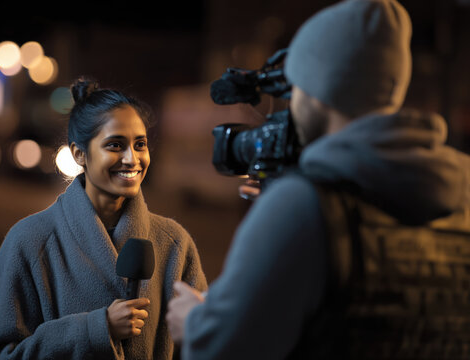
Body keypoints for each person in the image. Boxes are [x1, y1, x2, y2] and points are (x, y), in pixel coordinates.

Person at [166, 0, 470, 359]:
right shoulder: (462, 193)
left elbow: (222, 349)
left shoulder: (306, 205)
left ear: (313, 91)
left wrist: (195, 323)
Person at [0, 78, 207, 360]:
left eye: (140, 144)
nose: (132, 158)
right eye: (115, 145)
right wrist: (95, 330)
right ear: (79, 154)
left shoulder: (175, 243)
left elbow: (202, 347)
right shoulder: (28, 241)